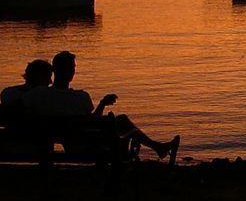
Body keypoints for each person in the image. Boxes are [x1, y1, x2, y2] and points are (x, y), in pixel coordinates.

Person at [23, 51, 179, 160]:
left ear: (54, 71)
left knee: (119, 120)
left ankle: (159, 148)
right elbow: (91, 122)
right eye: (73, 68)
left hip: (66, 143)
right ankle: (158, 147)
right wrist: (102, 105)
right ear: (72, 72)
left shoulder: (38, 95)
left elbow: (9, 107)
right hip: (88, 146)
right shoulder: (81, 97)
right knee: (122, 122)